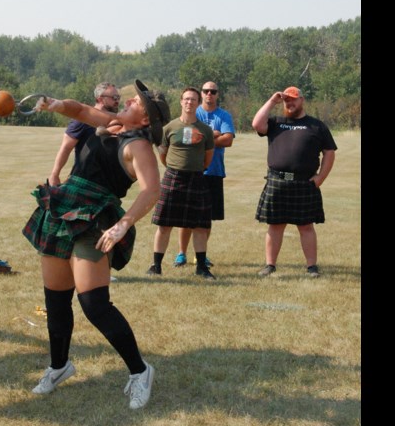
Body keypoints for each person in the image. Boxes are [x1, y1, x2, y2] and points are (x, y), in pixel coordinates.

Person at [22, 80, 171, 409]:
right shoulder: (111, 122)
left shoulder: (139, 145)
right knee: (57, 300)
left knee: (94, 304)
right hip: (65, 205)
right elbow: (79, 110)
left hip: (95, 215)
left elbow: (151, 190)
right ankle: (59, 367)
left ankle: (140, 371)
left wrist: (123, 224)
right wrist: (55, 103)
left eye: (138, 102)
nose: (130, 99)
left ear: (145, 120)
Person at [251, 86, 337, 278]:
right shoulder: (275, 122)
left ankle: (312, 267)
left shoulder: (316, 126)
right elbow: (257, 124)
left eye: (293, 99)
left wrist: (320, 178)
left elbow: (329, 153)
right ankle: (270, 265)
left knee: (306, 226)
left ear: (302, 100)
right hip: (277, 181)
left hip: (304, 183)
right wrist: (272, 101)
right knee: (275, 225)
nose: (290, 103)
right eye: (286, 100)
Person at [146, 87, 215, 279]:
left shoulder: (205, 130)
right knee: (164, 224)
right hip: (173, 177)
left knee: (200, 226)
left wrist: (194, 169)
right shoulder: (169, 128)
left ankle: (201, 267)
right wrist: (175, 167)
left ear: (197, 102)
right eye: (186, 99)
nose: (189, 102)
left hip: (197, 179)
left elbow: (207, 159)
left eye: (193, 99)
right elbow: (163, 155)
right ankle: (156, 265)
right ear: (181, 102)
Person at [173, 81, 235, 269]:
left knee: (206, 217)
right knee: (186, 216)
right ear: (201, 94)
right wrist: (213, 135)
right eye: (206, 91)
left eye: (213, 91)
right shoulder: (193, 113)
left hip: (214, 171)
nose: (209, 94)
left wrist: (203, 137)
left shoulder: (224, 115)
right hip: (190, 170)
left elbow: (228, 140)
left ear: (217, 94)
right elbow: (185, 137)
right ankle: (181, 253)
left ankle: (200, 255)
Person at [48, 82, 120, 186]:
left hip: (107, 183)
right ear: (100, 99)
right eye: (114, 97)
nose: (117, 100)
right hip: (83, 179)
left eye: (118, 97)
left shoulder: (116, 120)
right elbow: (66, 148)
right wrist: (55, 174)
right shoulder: (81, 120)